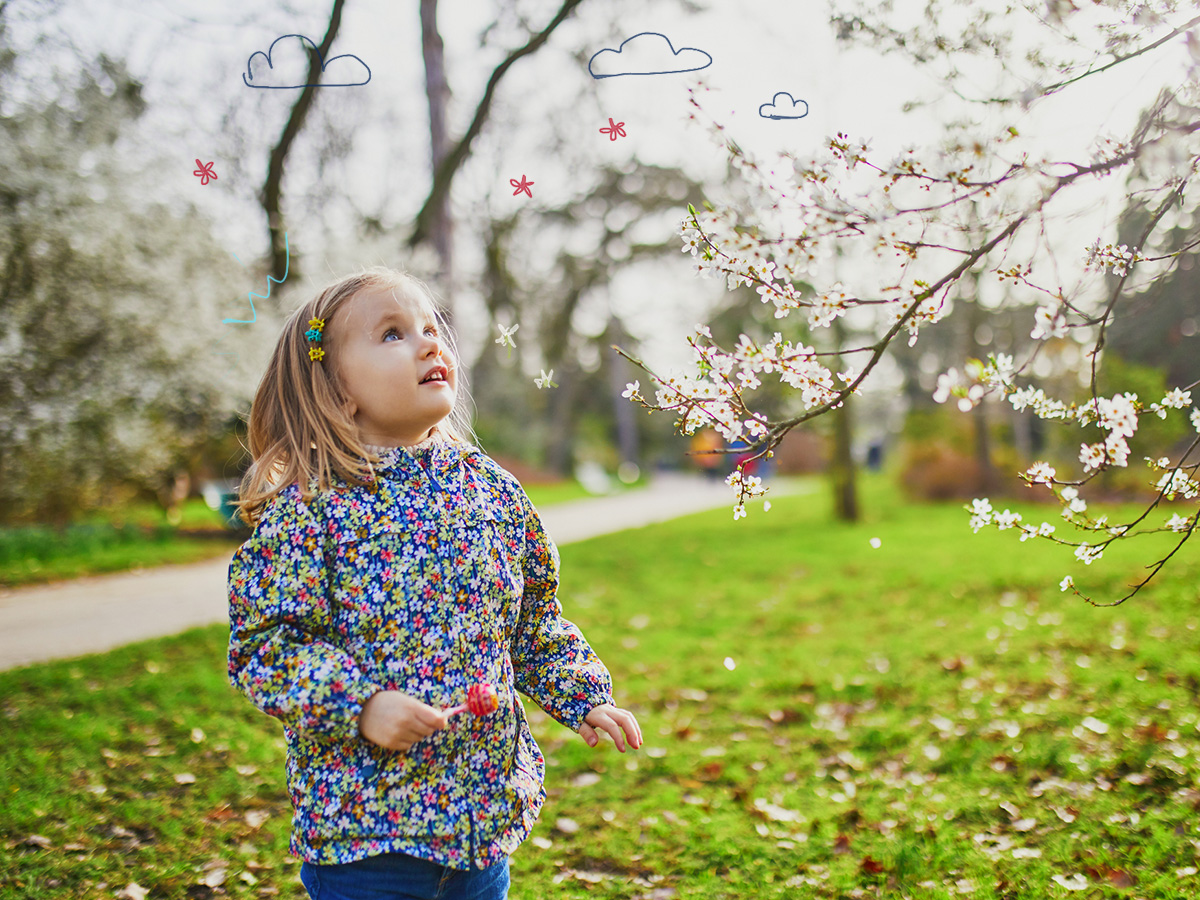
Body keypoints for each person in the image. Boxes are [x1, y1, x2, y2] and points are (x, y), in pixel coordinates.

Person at [226, 268, 642, 900]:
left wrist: (583, 694)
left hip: (482, 822)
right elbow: (266, 648)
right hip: (366, 837)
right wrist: (359, 704)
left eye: (430, 327)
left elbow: (533, 622)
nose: (429, 344)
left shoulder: (492, 492)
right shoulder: (312, 510)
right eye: (393, 334)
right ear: (336, 390)